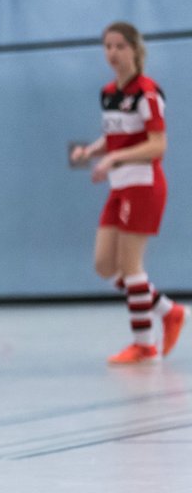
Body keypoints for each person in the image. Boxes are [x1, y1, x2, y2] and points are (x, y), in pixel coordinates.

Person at [70, 21, 185, 364]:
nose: (113, 53)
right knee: (105, 265)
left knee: (130, 265)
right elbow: (116, 137)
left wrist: (115, 158)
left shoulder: (147, 93)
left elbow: (156, 146)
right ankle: (168, 310)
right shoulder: (108, 93)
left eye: (120, 46)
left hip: (144, 186)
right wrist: (92, 151)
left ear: (135, 49)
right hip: (119, 188)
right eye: (107, 46)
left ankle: (144, 345)